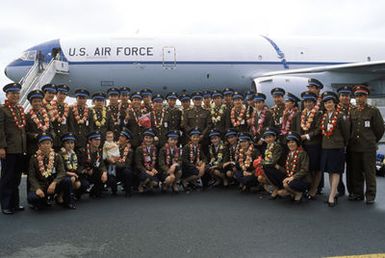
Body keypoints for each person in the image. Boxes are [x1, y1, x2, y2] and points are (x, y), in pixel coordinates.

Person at [348, 85, 385, 204]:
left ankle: (370, 195)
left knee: (370, 172)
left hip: (368, 147)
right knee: (356, 172)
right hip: (355, 147)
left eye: (361, 96)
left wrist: (372, 140)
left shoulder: (373, 110)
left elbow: (379, 129)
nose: (359, 98)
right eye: (357, 96)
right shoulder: (352, 110)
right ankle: (358, 193)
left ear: (366, 96)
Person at [27, 133, 75, 210]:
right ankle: (43, 200)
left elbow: (62, 172)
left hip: (54, 184)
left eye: (48, 143)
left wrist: (54, 182)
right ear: (39, 146)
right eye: (43, 144)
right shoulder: (34, 158)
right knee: (32, 198)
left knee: (67, 180)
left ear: (51, 144)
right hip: (42, 185)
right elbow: (31, 176)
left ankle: (68, 202)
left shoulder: (57, 156)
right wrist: (37, 188)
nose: (46, 146)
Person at [0, 83, 27, 215]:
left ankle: (14, 204)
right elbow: (0, 130)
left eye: (17, 93)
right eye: (13, 93)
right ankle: (5, 205)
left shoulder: (19, 109)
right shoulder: (2, 109)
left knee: (16, 178)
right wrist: (1, 147)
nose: (16, 95)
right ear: (7, 95)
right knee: (7, 178)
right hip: (9, 149)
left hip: (20, 149)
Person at [320, 92, 350, 207]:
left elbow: (346, 133)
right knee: (330, 171)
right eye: (326, 103)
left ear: (334, 103)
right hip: (326, 147)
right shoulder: (325, 116)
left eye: (330, 102)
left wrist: (344, 145)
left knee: (336, 171)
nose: (328, 105)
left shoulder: (341, 116)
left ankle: (332, 196)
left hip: (337, 147)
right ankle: (334, 192)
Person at [267, 132, 310, 203]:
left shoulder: (303, 153)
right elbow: (287, 171)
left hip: (302, 180)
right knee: (280, 193)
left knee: (286, 184)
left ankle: (298, 193)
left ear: (297, 143)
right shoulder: (289, 153)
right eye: (289, 143)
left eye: (293, 142)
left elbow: (304, 170)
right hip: (292, 179)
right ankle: (292, 193)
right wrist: (278, 167)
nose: (290, 144)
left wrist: (292, 178)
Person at [297, 91, 322, 200]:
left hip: (314, 144)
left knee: (316, 168)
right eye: (306, 101)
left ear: (314, 102)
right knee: (306, 168)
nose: (308, 104)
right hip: (303, 145)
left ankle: (314, 190)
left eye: (310, 101)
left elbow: (319, 129)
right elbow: (298, 128)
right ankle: (308, 188)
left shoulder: (318, 114)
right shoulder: (301, 113)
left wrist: (307, 136)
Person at [77, 131, 108, 198]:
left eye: (99, 140)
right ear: (90, 141)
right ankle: (77, 194)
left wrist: (104, 172)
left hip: (93, 173)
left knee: (103, 175)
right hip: (83, 174)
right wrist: (85, 170)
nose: (98, 142)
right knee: (84, 185)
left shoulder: (99, 151)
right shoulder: (82, 151)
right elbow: (78, 165)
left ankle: (94, 191)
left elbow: (102, 164)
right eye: (95, 140)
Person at [106, 129, 135, 197]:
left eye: (122, 137)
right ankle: (114, 190)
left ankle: (128, 190)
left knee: (127, 172)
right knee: (109, 170)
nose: (120, 138)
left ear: (127, 140)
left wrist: (115, 162)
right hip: (114, 168)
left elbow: (127, 164)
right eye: (120, 136)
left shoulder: (129, 151)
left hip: (122, 170)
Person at [337, 86, 354, 196]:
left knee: (352, 169)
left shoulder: (355, 109)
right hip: (339, 144)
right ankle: (340, 190)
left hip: (353, 144)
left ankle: (352, 191)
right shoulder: (334, 110)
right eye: (343, 95)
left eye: (347, 96)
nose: (345, 98)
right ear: (339, 97)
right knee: (338, 168)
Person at [257, 127, 282, 196]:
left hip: (277, 168)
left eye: (270, 137)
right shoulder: (268, 146)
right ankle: (271, 188)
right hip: (269, 167)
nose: (268, 139)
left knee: (264, 167)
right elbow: (267, 159)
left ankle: (276, 187)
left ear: (275, 137)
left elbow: (273, 161)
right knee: (260, 176)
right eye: (266, 138)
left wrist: (262, 162)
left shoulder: (277, 146)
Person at [59, 133, 82, 200]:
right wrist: (71, 174)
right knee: (72, 179)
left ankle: (70, 194)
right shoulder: (60, 154)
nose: (70, 145)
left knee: (78, 184)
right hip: (62, 174)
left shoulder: (74, 153)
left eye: (72, 143)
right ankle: (60, 195)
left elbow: (77, 166)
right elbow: (60, 169)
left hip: (72, 174)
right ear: (64, 144)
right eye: (68, 143)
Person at [135, 128, 159, 193]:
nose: (148, 140)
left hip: (151, 170)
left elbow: (155, 161)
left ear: (153, 139)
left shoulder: (154, 149)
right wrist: (147, 171)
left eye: (150, 138)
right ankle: (140, 185)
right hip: (142, 171)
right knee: (146, 178)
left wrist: (153, 169)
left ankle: (149, 185)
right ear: (143, 138)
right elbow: (138, 164)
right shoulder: (139, 149)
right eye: (146, 137)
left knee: (155, 183)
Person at [68, 89, 91, 153]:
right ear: (76, 98)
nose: (81, 100)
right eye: (79, 98)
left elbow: (90, 126)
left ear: (86, 99)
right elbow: (68, 123)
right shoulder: (70, 109)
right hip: (72, 138)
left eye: (83, 98)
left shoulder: (89, 111)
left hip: (84, 139)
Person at [51, 84, 70, 150]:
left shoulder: (67, 108)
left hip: (63, 138)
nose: (62, 96)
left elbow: (69, 124)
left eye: (64, 94)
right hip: (52, 138)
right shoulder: (50, 106)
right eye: (60, 93)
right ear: (56, 94)